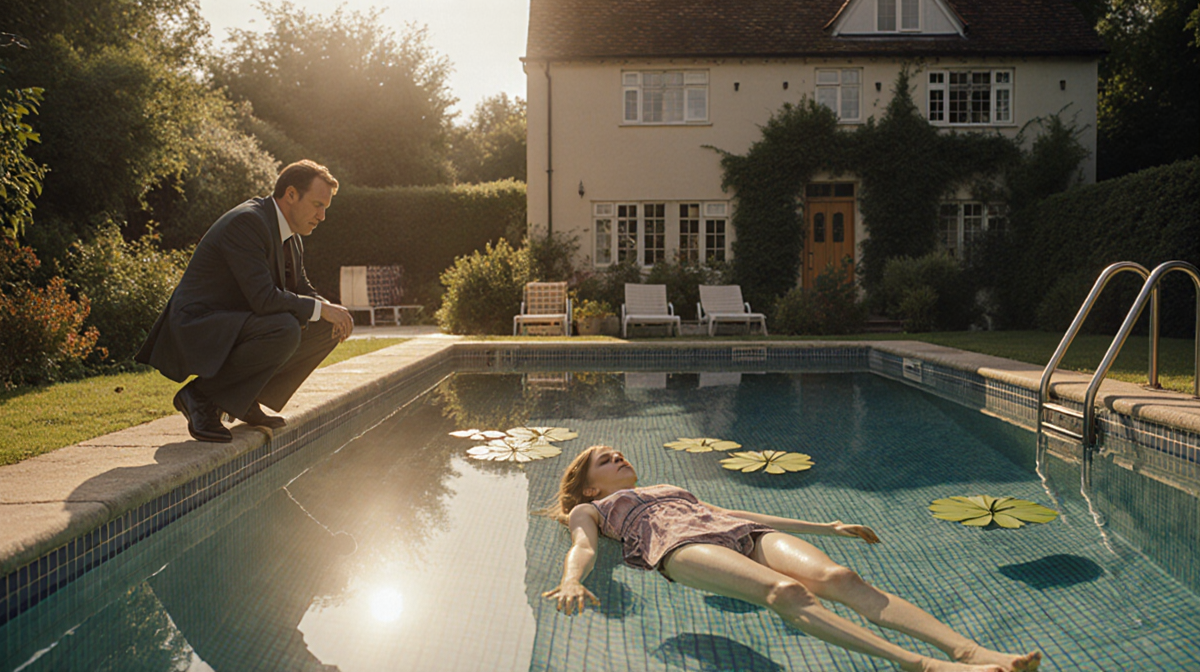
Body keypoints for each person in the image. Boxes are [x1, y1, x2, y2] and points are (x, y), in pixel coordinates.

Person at [542, 445, 1042, 672]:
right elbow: (582, 546)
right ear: (590, 484)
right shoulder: (593, 507)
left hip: (735, 532)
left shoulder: (668, 486)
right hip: (679, 549)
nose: (619, 458)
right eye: (606, 460)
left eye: (618, 453)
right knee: (785, 592)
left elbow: (724, 510)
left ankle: (969, 652)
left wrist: (825, 527)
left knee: (838, 575)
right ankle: (922, 667)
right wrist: (571, 580)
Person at [136, 160, 356, 443]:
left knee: (324, 325)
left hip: (238, 321)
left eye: (325, 207)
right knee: (285, 328)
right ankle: (199, 396)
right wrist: (322, 308)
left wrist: (330, 309)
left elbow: (301, 288)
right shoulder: (248, 222)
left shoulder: (290, 235)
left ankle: (244, 397)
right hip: (201, 323)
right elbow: (263, 298)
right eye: (317, 205)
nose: (322, 216)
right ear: (290, 194)